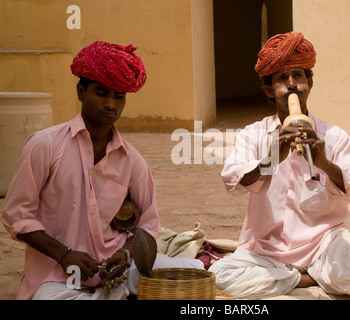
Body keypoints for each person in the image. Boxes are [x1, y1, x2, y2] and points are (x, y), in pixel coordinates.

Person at [1, 41, 202, 300]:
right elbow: (17, 216)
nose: (110, 104)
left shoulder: (132, 160)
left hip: (117, 270)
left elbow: (149, 224)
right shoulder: (45, 145)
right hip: (58, 276)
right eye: (101, 92)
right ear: (81, 92)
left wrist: (126, 254)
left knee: (188, 279)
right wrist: (64, 255)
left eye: (119, 96)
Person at [210, 32, 350, 300]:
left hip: (324, 243)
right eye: (281, 79)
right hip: (266, 249)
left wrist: (323, 162)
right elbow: (232, 181)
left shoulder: (334, 135)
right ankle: (310, 277)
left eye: (298, 76)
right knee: (220, 277)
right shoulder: (253, 134)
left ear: (309, 83)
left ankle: (334, 264)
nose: (292, 85)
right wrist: (270, 161)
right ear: (269, 89)